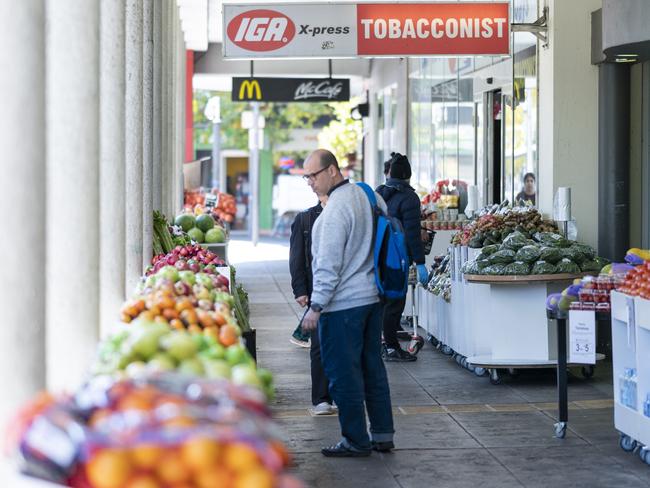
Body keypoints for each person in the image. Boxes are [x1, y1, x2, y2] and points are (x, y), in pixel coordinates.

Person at [301, 149, 395, 458]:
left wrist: (316, 307)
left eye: (313, 176)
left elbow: (328, 265)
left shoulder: (335, 211)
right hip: (372, 300)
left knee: (343, 376)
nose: (310, 183)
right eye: (306, 178)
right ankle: (382, 434)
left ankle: (355, 440)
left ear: (331, 170)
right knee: (373, 369)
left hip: (342, 307)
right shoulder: (367, 196)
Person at [376, 153, 429, 362]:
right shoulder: (409, 198)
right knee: (396, 302)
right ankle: (391, 347)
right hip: (398, 258)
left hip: (378, 256)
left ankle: (380, 344)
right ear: (408, 175)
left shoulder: (379, 192)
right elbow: (413, 233)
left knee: (382, 302)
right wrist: (421, 263)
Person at [288, 194, 335, 416]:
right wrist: (300, 290)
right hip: (317, 292)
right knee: (319, 346)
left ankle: (338, 394)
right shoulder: (305, 219)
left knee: (342, 348)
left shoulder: (346, 216)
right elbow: (296, 256)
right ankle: (321, 399)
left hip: (345, 293)